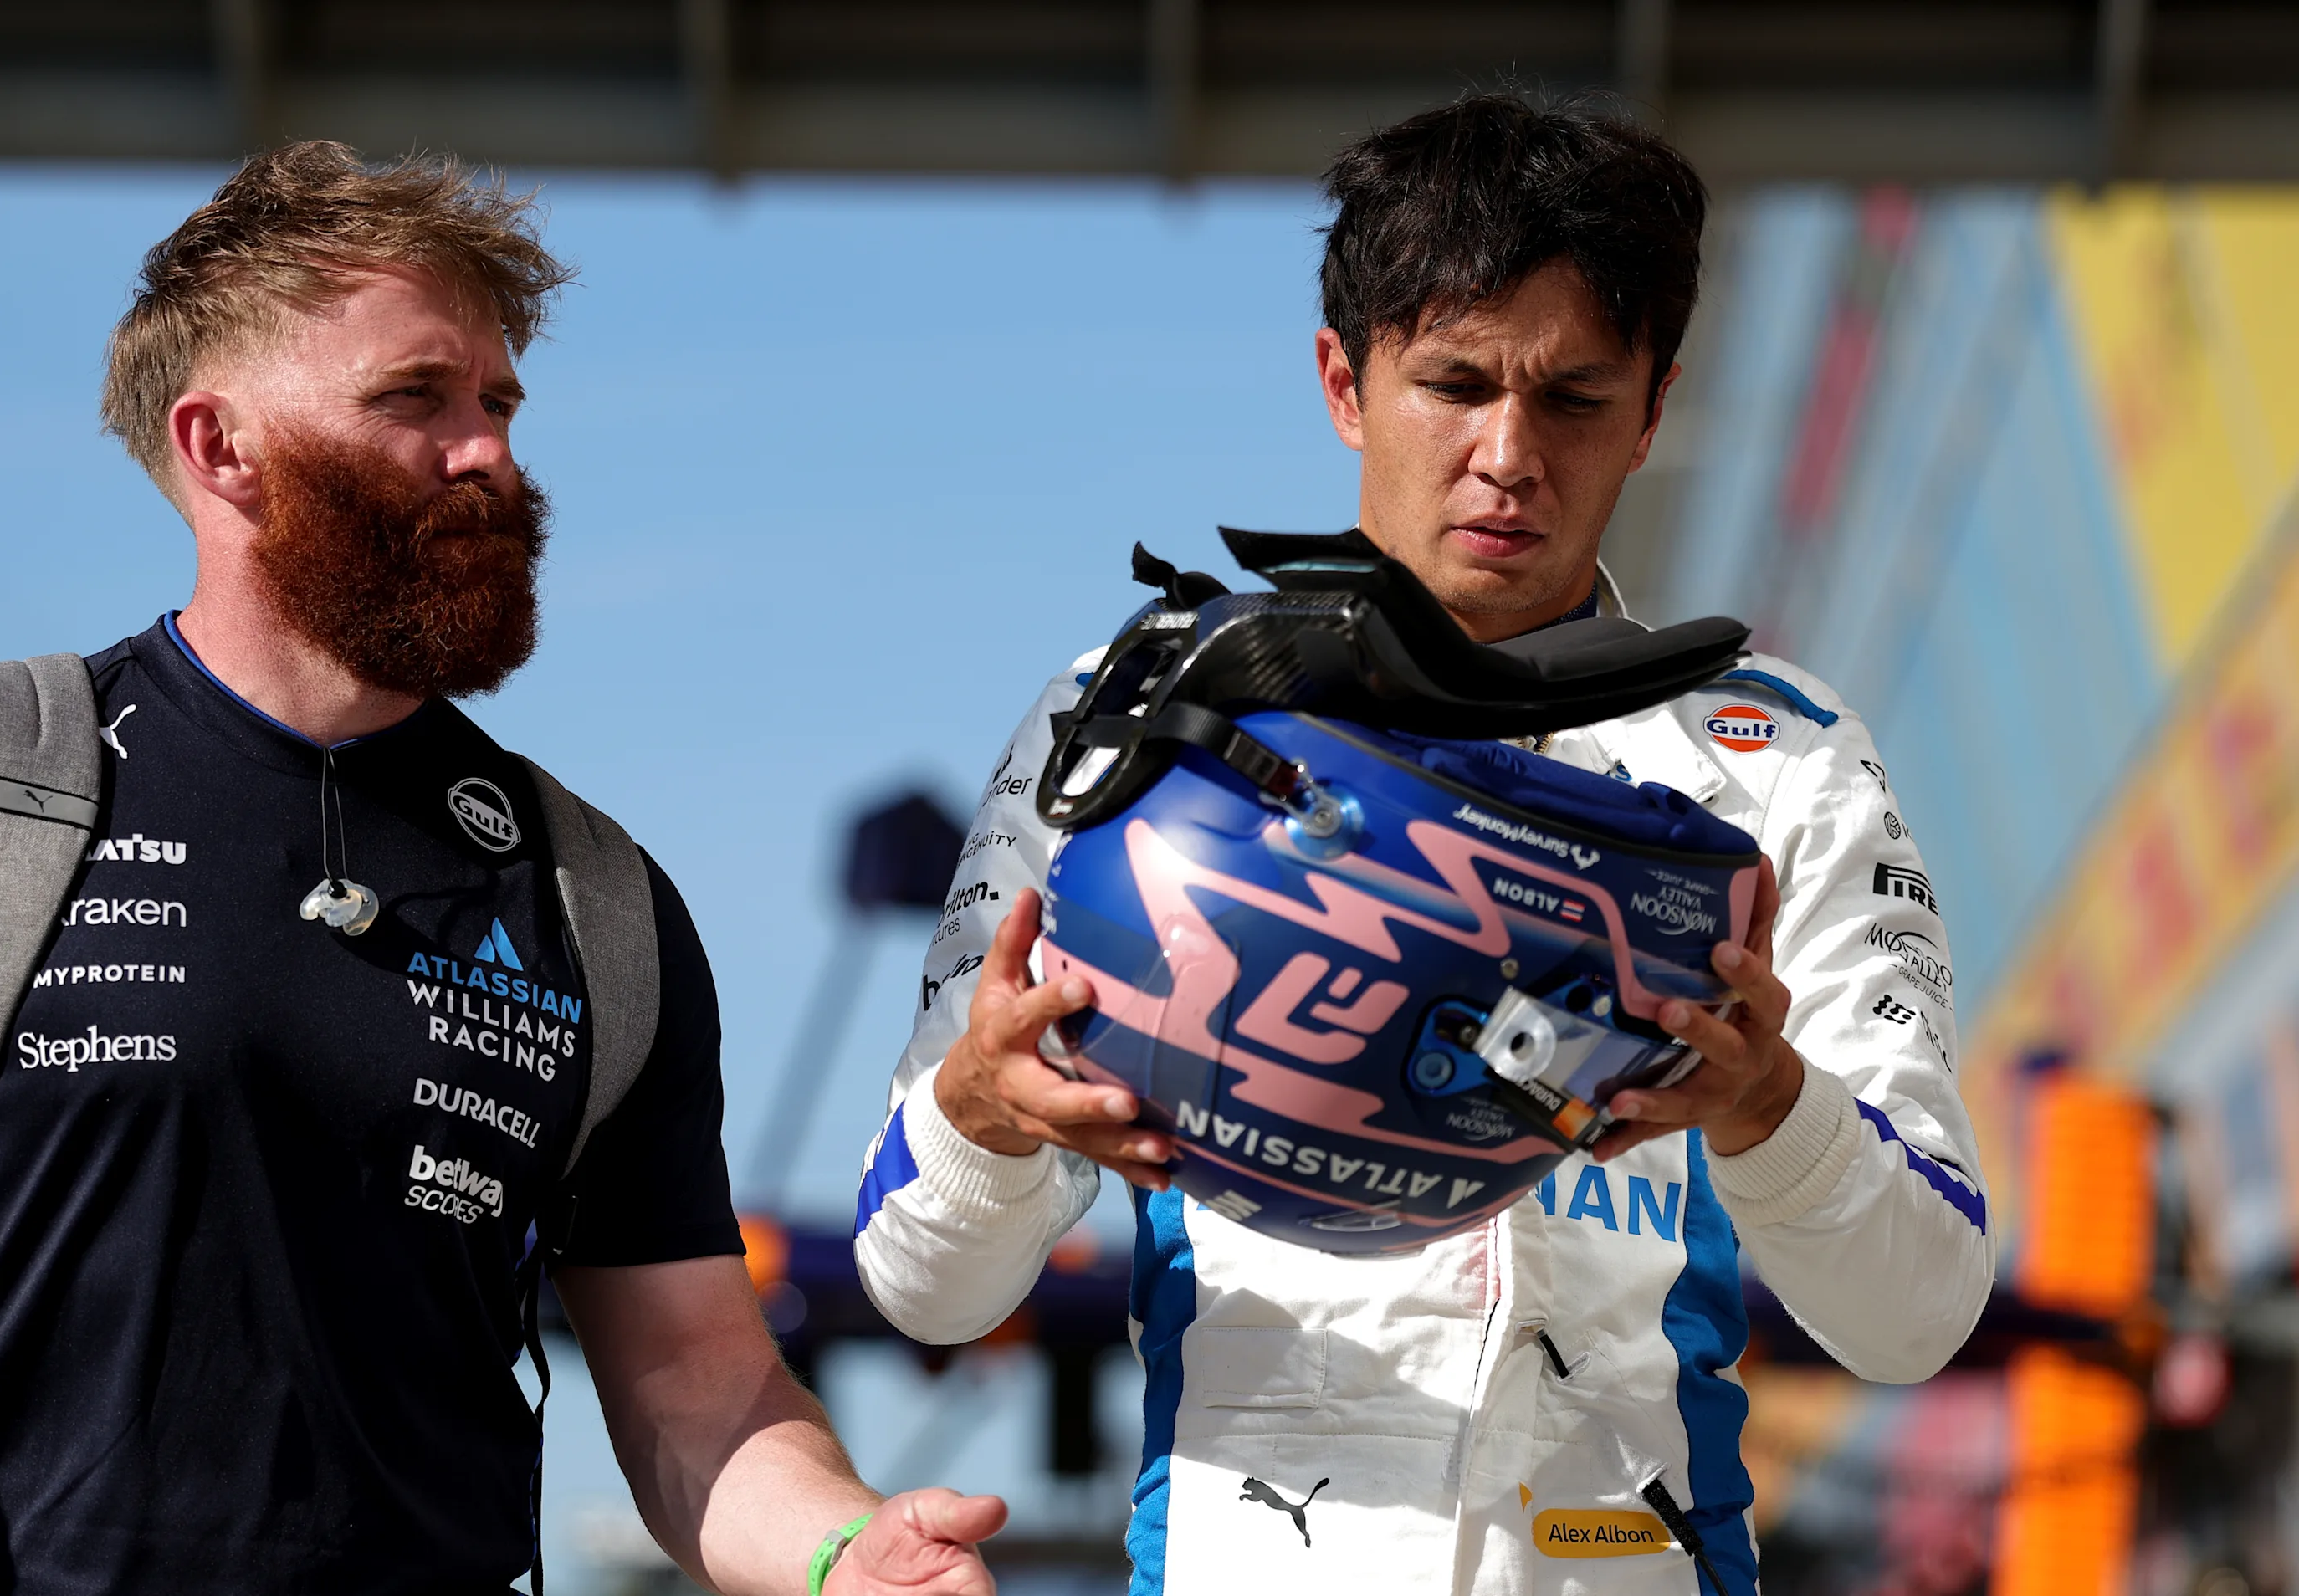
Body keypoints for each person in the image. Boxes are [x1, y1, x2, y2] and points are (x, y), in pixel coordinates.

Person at [0, 142, 1003, 1596]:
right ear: (221, 448)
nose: (490, 455)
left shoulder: (596, 903)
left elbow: (698, 1387)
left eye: (500, 404)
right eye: (416, 399)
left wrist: (845, 1553)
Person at [853, 95, 1991, 1593]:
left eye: (1575, 399)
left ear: (1654, 411)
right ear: (1344, 379)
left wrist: (1772, 1107)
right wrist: (984, 1115)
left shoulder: (1779, 759)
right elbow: (921, 1286)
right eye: (1454, 384)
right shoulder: (1139, 720)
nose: (1507, 456)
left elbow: (1919, 1316)